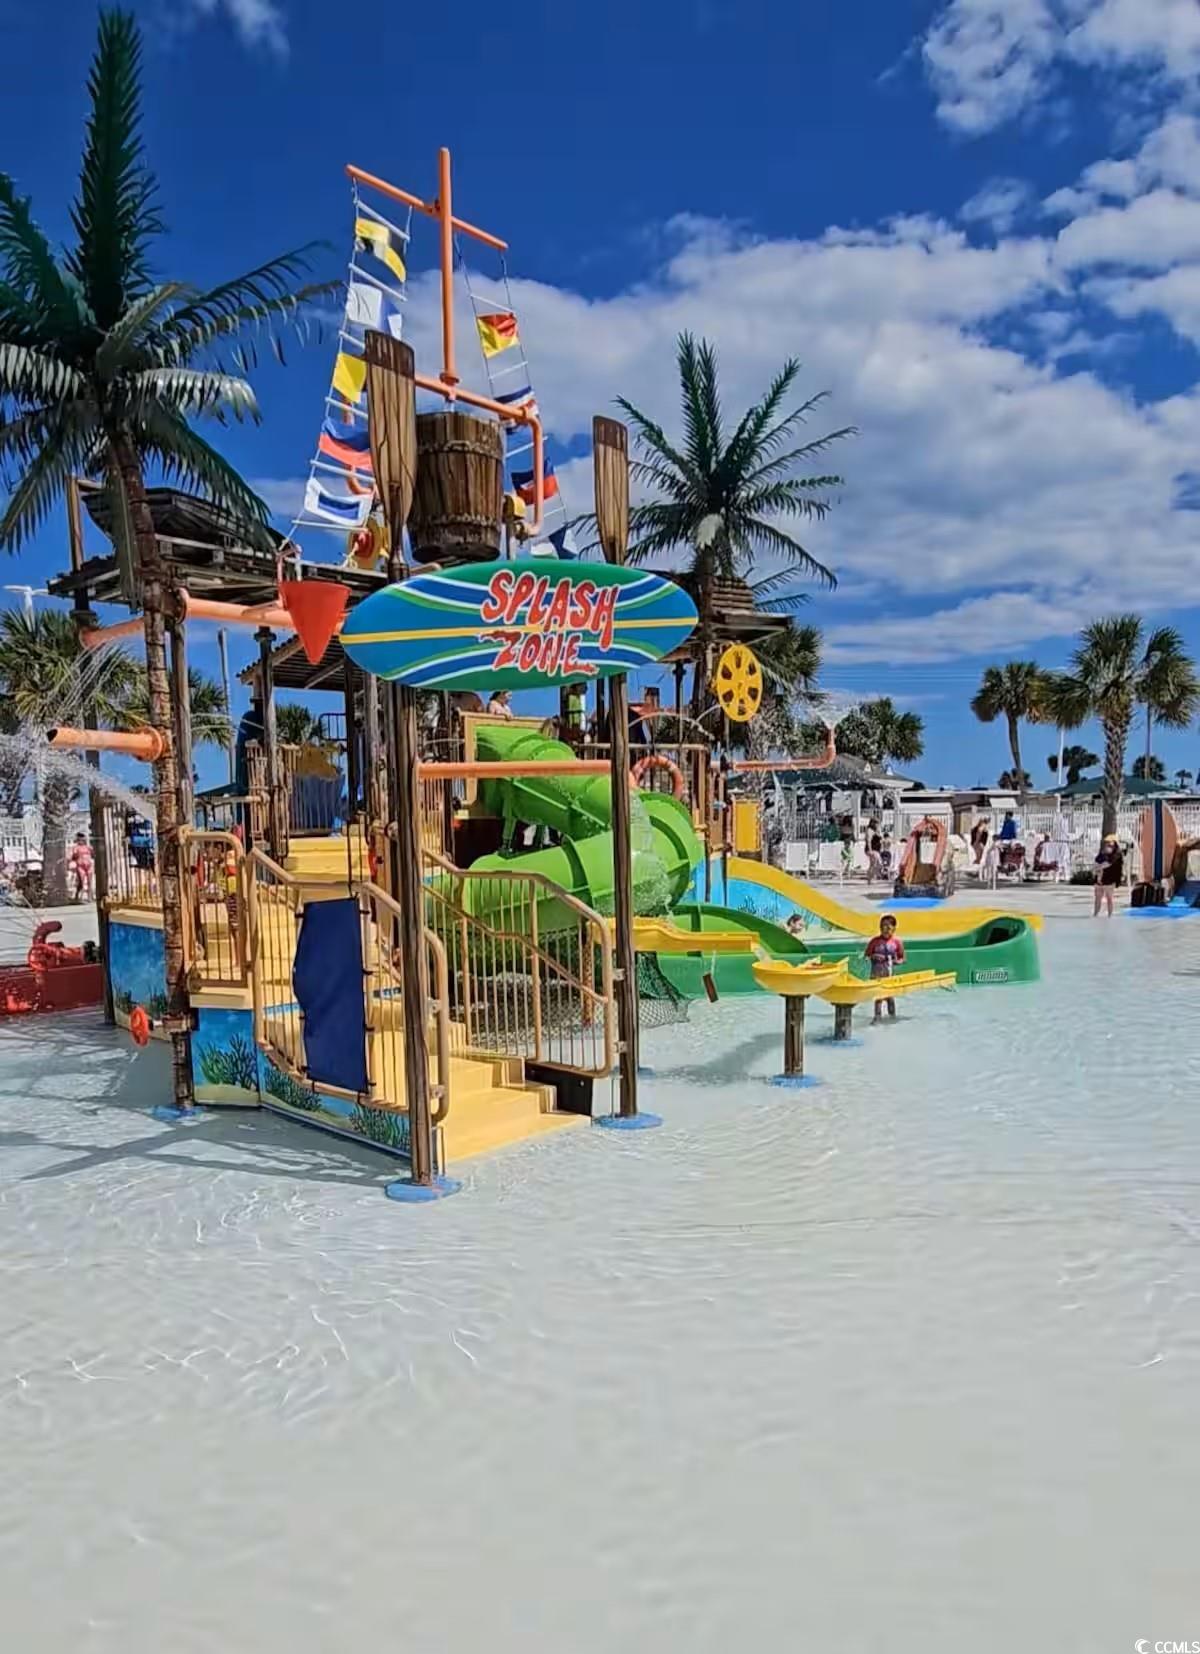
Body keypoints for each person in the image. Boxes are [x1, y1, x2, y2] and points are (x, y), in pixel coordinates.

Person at [865, 913, 905, 1023]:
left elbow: (902, 958)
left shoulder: (897, 942)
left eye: (888, 927)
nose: (885, 929)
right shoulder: (874, 941)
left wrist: (896, 962)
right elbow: (866, 956)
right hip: (876, 973)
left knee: (890, 998)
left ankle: (892, 1018)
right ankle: (877, 1018)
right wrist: (873, 956)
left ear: (894, 928)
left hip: (889, 973)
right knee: (878, 998)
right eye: (882, 926)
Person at [1094, 833, 1124, 917]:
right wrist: (1102, 856)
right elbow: (1097, 860)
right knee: (1097, 897)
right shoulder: (1103, 852)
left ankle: (1110, 915)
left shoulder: (1117, 853)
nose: (1108, 844)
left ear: (1115, 843)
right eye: (1107, 842)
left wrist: (1098, 867)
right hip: (1100, 878)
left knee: (1109, 898)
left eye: (1110, 842)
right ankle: (1095, 914)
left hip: (1110, 878)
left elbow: (1109, 863)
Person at [68, 832, 94, 902]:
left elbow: (92, 854)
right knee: (81, 882)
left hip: (89, 865)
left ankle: (89, 897)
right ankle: (78, 896)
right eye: (79, 839)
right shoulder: (76, 847)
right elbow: (72, 857)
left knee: (89, 882)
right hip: (80, 866)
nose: (81, 841)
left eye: (82, 839)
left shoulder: (88, 847)